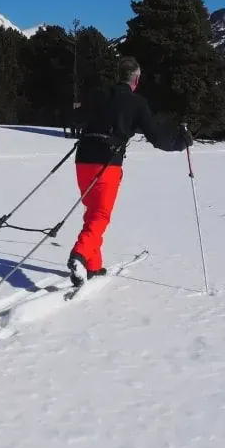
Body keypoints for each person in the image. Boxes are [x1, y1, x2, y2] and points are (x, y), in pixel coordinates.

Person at [67, 55, 193, 287]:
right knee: (101, 215)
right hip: (107, 164)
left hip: (82, 160)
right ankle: (80, 255)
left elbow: (75, 118)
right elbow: (157, 138)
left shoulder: (99, 95)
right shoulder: (137, 103)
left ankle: (93, 266)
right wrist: (180, 142)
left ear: (118, 75)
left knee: (92, 211)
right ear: (136, 80)